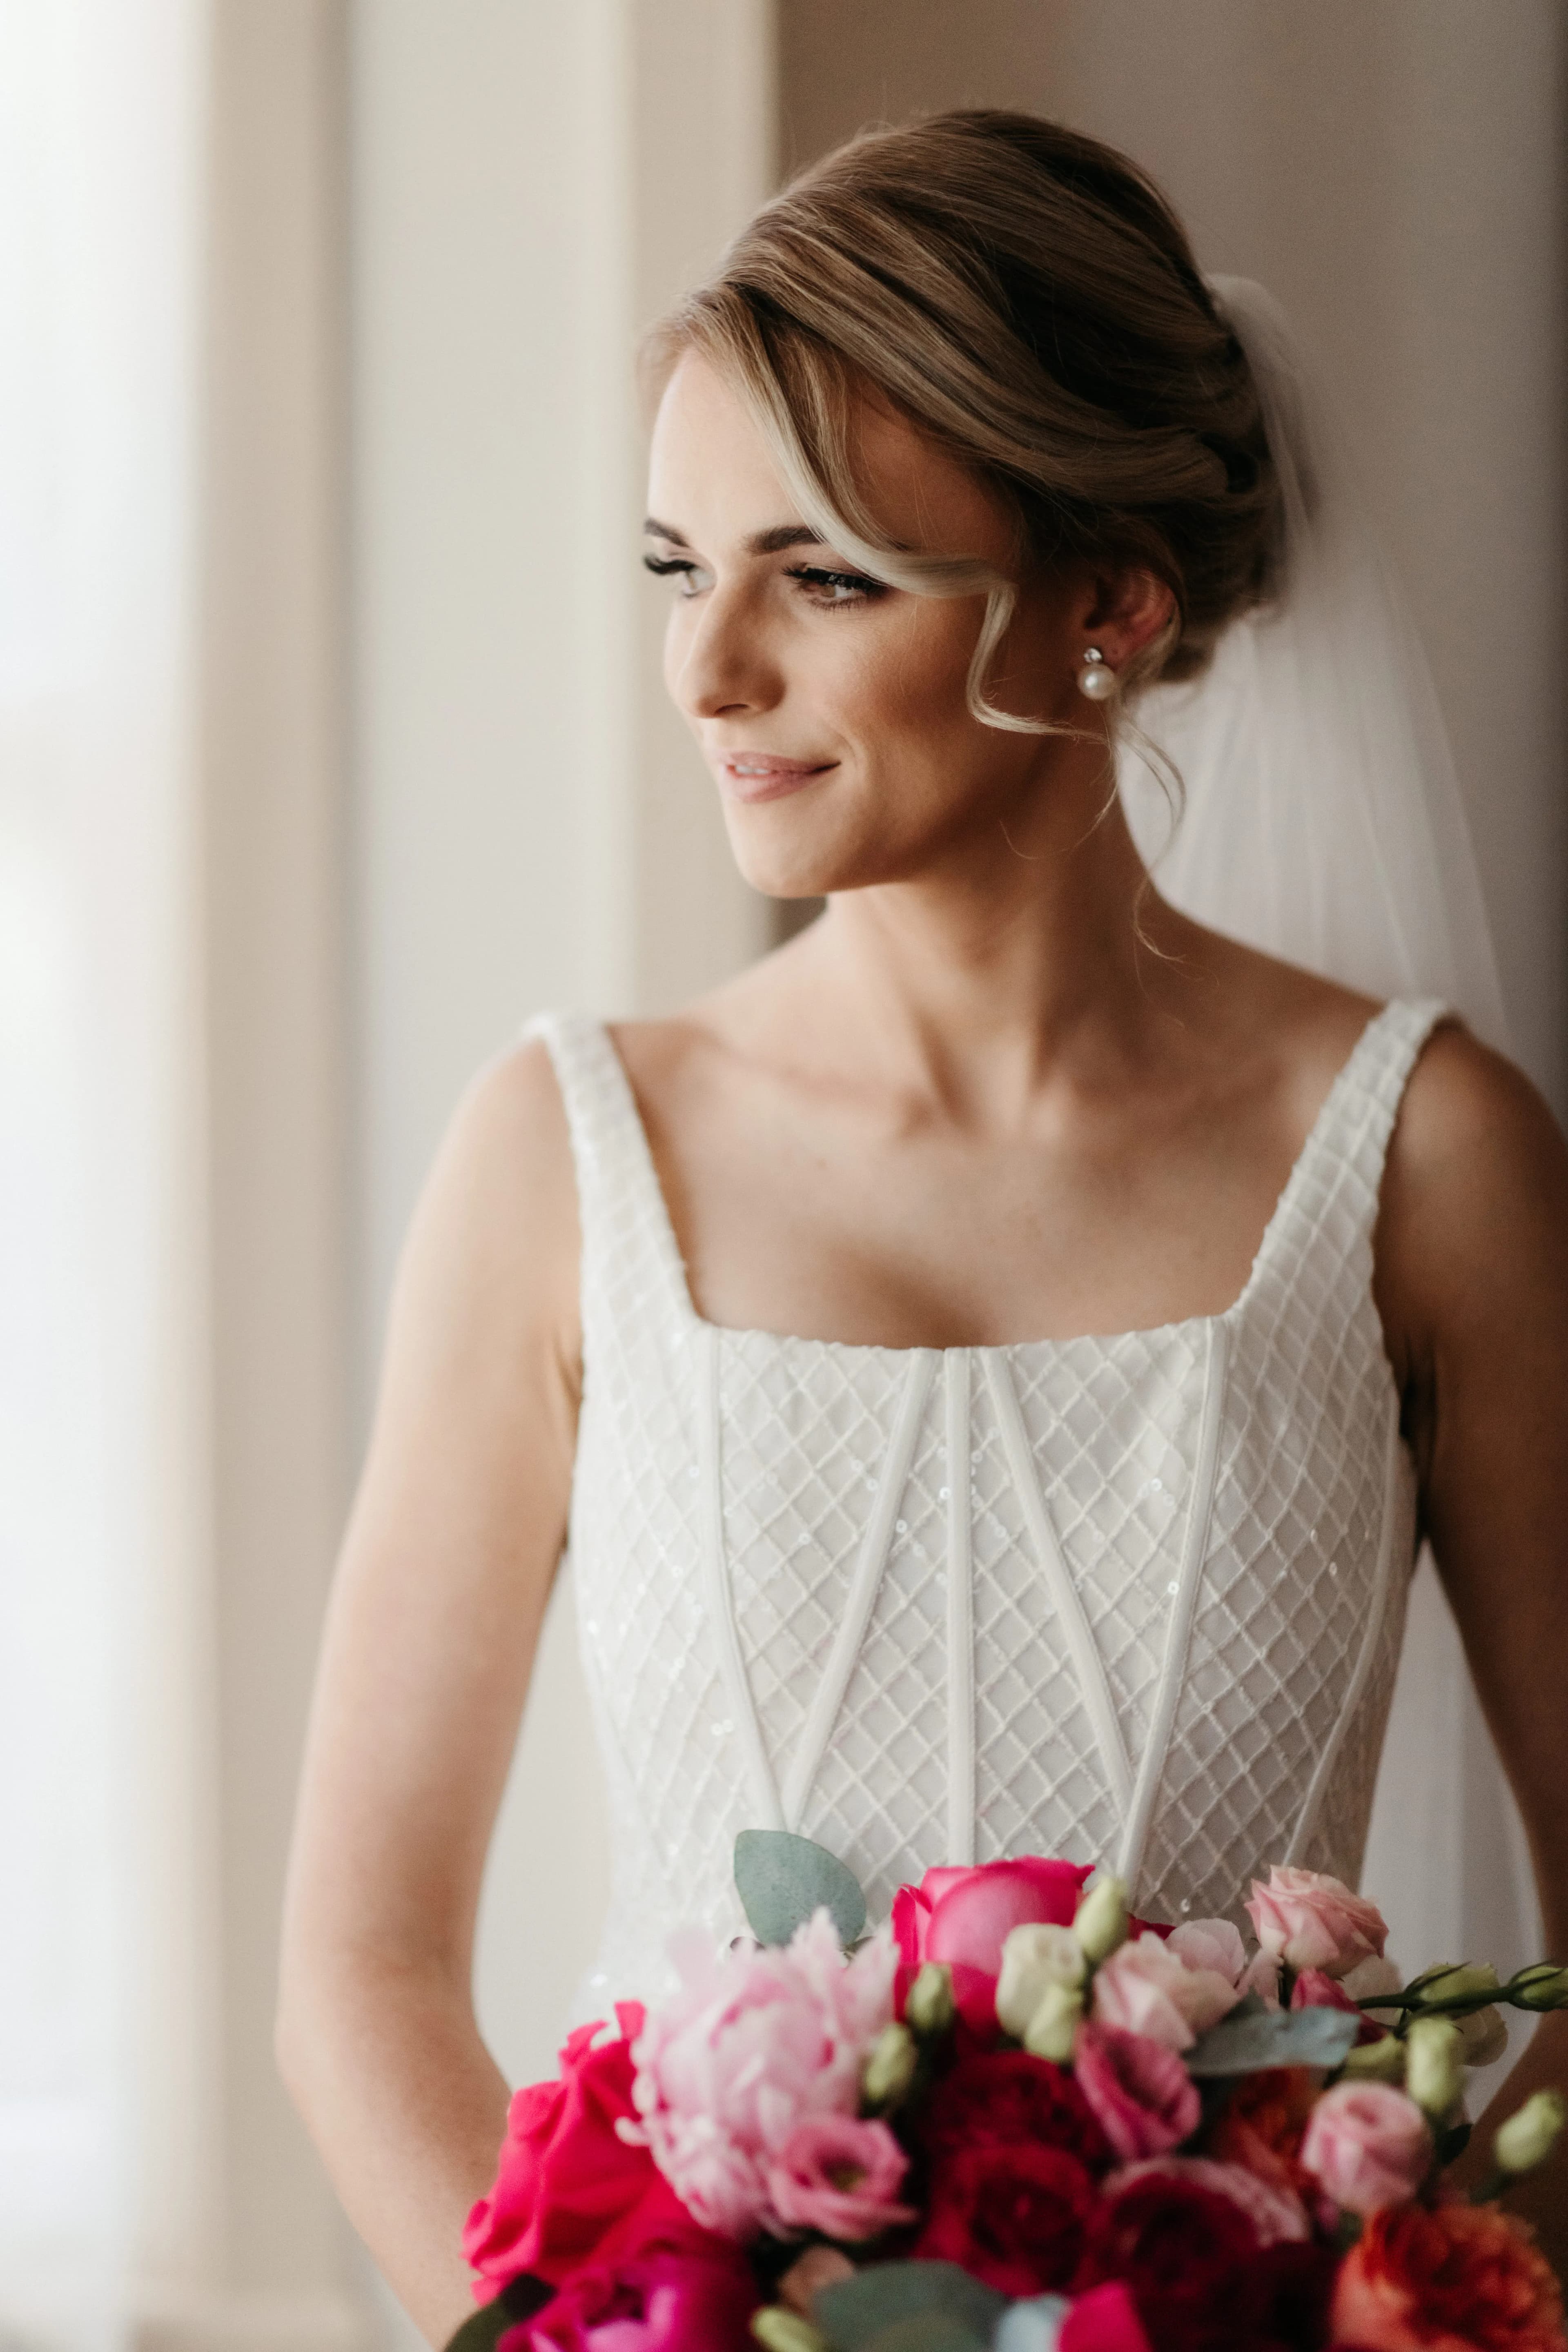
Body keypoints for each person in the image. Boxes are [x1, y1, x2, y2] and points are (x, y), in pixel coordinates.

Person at [277, 112, 1568, 2338]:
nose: (708, 673)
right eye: (678, 566)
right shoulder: (563, 1160)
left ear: (1112, 604)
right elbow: (359, 1960)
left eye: (826, 577)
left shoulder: (1424, 1158)